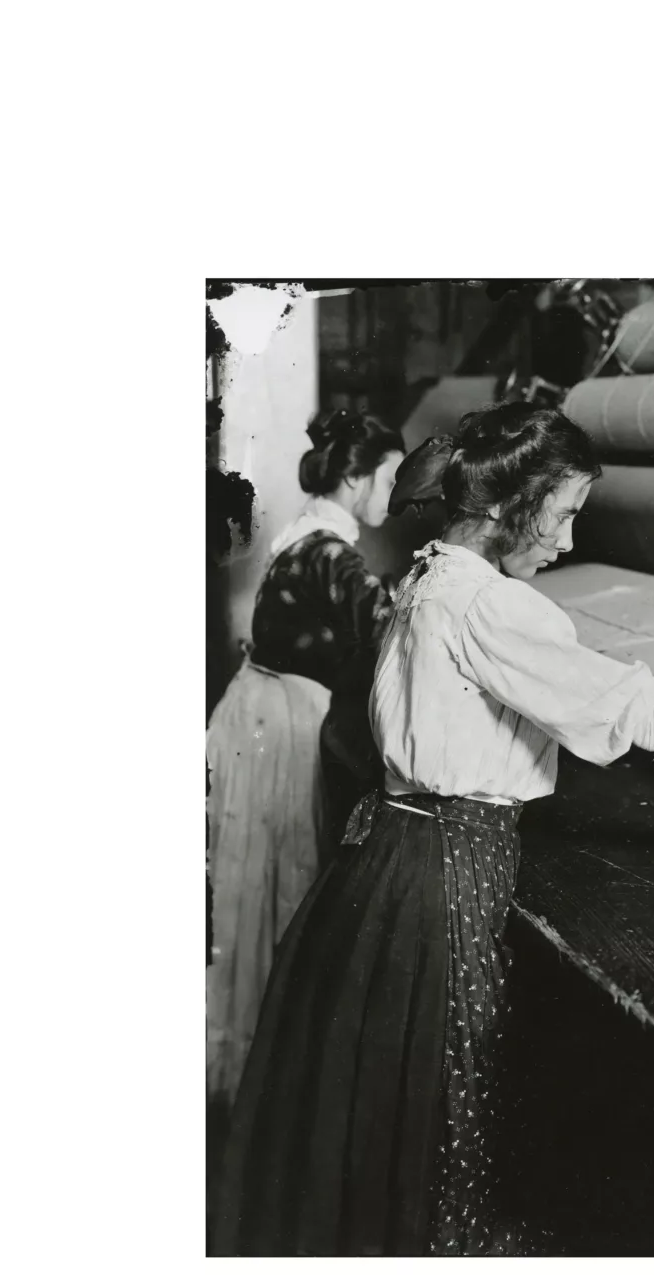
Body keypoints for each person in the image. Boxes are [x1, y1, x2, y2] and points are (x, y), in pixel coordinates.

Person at [211, 403, 654, 1257]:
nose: (566, 542)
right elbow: (647, 713)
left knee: (396, 1085)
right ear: (502, 508)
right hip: (446, 871)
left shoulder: (428, 575)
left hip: (392, 854)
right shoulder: (492, 609)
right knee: (451, 1081)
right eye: (562, 514)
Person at [205, 409, 403, 1125]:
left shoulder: (306, 531)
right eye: (387, 477)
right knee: (280, 890)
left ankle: (253, 1068)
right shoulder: (332, 552)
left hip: (257, 709)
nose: (396, 492)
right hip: (280, 726)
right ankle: (271, 1082)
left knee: (252, 890)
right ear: (354, 478)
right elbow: (393, 631)